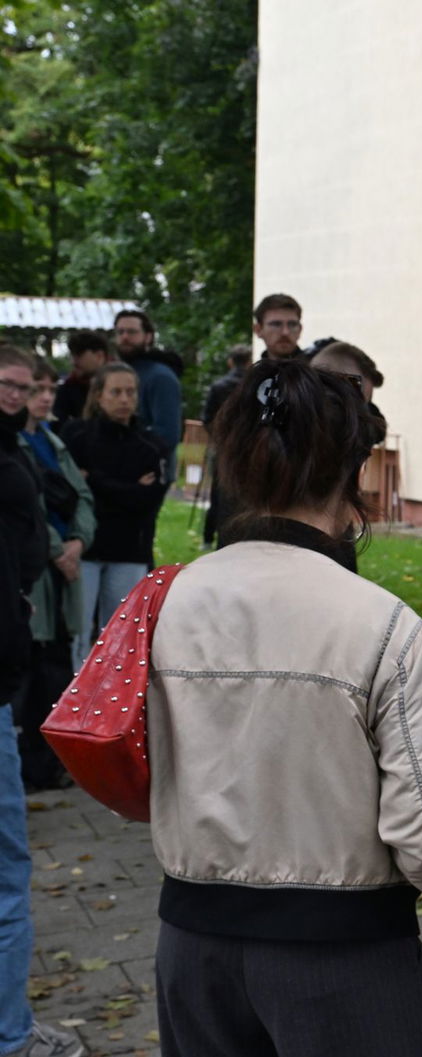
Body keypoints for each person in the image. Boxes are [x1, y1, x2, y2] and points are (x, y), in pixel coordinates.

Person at [147, 356, 422, 1056]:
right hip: (344, 955)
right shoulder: (384, 626)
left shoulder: (162, 604)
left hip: (191, 946)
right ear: (352, 470)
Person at [0, 345, 85, 1057]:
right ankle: (12, 1034)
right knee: (6, 871)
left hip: (8, 665)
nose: (17, 394)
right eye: (7, 382)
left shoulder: (22, 450)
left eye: (25, 387)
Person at [17, 359, 94, 791]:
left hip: (65, 569)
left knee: (56, 670)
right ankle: (28, 767)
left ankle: (48, 765)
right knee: (29, 668)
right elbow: (23, 508)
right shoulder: (14, 444)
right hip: (35, 572)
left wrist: (78, 543)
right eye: (36, 388)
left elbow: (83, 496)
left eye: (50, 388)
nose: (45, 396)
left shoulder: (52, 441)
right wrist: (55, 550)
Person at [59, 364, 166, 670]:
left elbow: (146, 501)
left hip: (128, 549)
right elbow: (69, 492)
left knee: (119, 635)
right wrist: (126, 489)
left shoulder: (150, 444)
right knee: (78, 631)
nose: (124, 399)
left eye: (130, 392)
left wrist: (94, 481)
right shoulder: (76, 436)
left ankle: (109, 703)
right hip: (86, 548)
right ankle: (72, 699)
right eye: (116, 392)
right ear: (99, 396)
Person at [112, 309, 182, 484]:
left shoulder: (160, 377)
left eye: (132, 332)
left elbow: (167, 434)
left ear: (148, 336)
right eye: (120, 332)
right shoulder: (119, 372)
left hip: (148, 472)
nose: (125, 337)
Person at [200, 345, 252, 548]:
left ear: (231, 362)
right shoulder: (251, 386)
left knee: (219, 495)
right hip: (249, 449)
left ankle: (209, 537)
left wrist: (220, 438)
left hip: (223, 448)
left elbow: (207, 419)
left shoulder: (219, 386)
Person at [56, 332, 109, 424]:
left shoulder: (121, 385)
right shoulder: (67, 389)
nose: (73, 362)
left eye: (79, 356)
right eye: (72, 356)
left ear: (99, 356)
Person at [253, 292, 305, 361]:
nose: (285, 332)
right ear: (258, 330)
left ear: (300, 330)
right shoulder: (251, 371)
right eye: (276, 324)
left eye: (292, 325)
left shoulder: (317, 370)